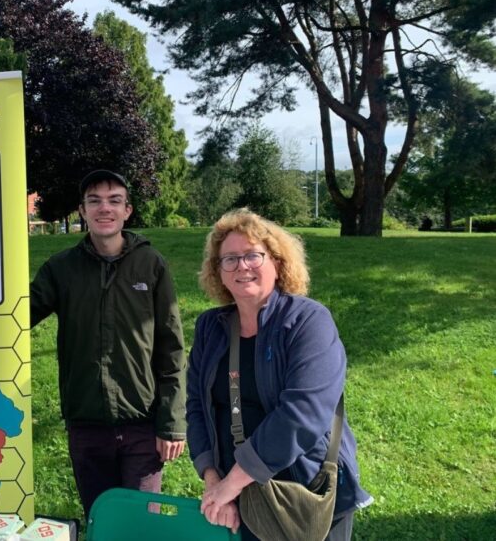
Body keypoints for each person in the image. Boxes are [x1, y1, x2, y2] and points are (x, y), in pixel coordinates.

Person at [187, 208, 372, 539]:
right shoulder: (209, 327)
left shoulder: (307, 321)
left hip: (305, 493)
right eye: (229, 259)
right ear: (219, 272)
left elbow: (303, 414)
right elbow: (197, 407)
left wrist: (232, 482)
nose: (241, 266)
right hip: (241, 497)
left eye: (253, 256)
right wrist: (214, 480)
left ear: (277, 262)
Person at [30, 169, 187, 518]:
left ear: (127, 211)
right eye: (95, 201)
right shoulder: (61, 269)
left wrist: (172, 422)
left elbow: (172, 348)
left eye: (114, 201)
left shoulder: (151, 265)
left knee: (142, 526)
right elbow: (16, 315)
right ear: (82, 211)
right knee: (100, 521)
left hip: (142, 424)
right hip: (86, 424)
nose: (105, 209)